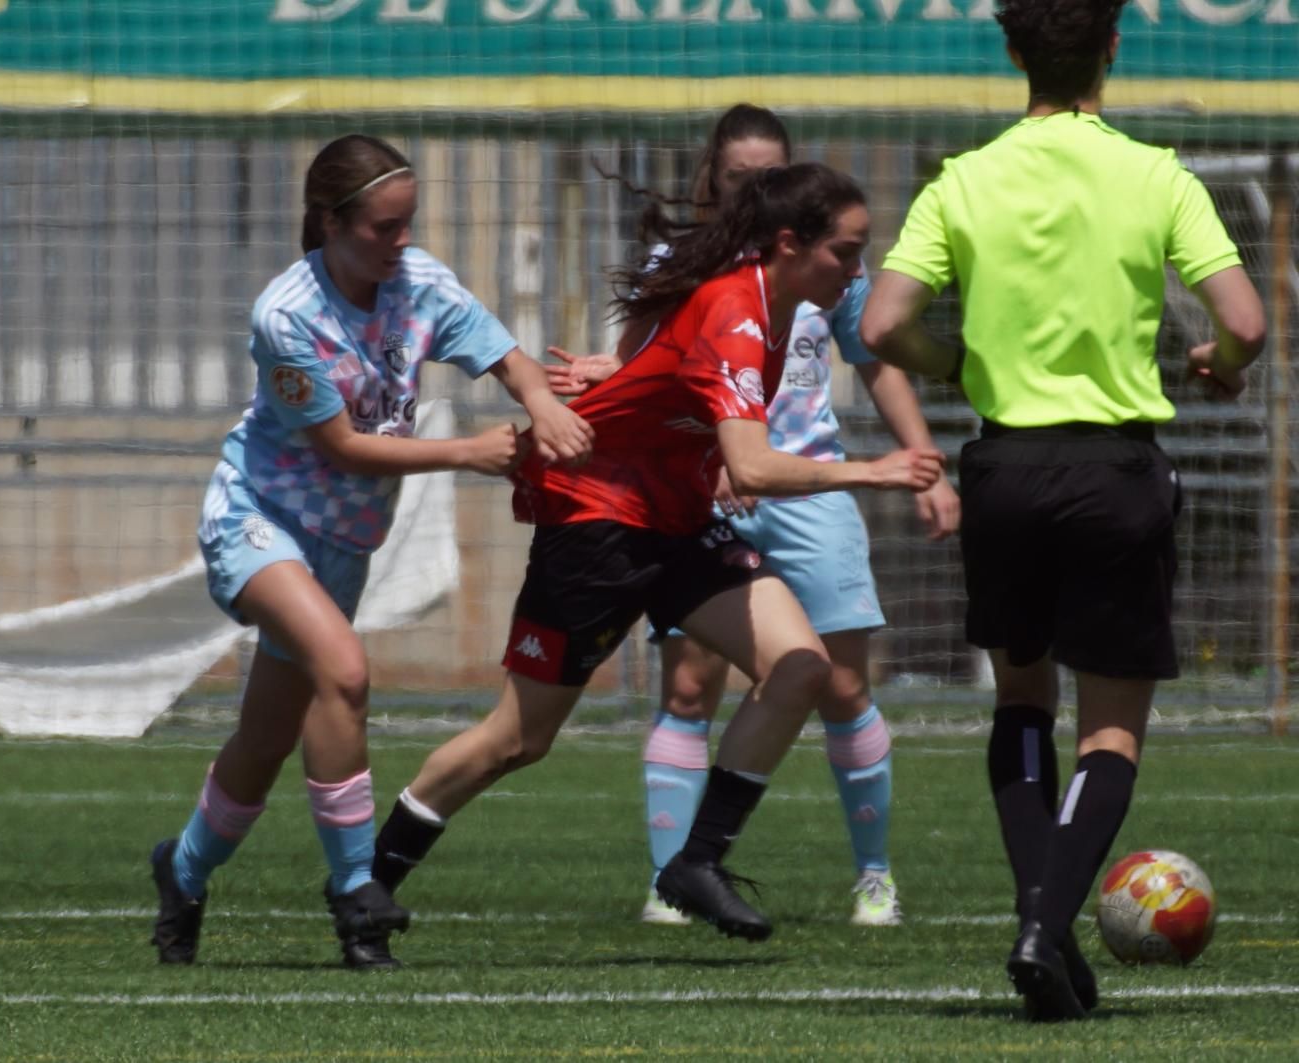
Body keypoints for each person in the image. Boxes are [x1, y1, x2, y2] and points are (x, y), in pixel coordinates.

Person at [368, 162, 945, 951]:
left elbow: (678, 385)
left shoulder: (771, 306)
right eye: (846, 253)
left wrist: (640, 387)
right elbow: (754, 466)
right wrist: (872, 469)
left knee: (802, 665)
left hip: (672, 517)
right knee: (518, 739)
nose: (856, 270)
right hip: (596, 519)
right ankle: (368, 884)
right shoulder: (739, 312)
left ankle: (695, 863)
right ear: (789, 243)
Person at [859, 0, 1265, 1021]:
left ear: (1010, 53)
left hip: (1004, 471)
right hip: (1114, 473)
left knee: (1021, 701)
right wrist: (1221, 361)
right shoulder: (1154, 175)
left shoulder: (963, 179)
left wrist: (955, 362)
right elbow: (1245, 321)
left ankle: (1039, 919)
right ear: (1111, 50)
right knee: (1112, 732)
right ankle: (1046, 925)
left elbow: (880, 323)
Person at [149, 133, 594, 971]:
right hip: (259, 522)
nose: (400, 243)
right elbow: (343, 448)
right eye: (383, 229)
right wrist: (467, 453)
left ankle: (182, 871)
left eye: (407, 224)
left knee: (264, 742)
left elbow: (507, 358)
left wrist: (546, 403)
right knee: (345, 671)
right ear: (328, 222)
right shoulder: (287, 315)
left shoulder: (418, 282)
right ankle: (357, 892)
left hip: (344, 545)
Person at [547, 104, 959, 930]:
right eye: (742, 176)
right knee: (692, 683)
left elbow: (874, 361)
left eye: (771, 174)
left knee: (841, 682)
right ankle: (675, 876)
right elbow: (643, 366)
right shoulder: (688, 259)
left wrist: (924, 466)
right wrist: (607, 375)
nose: (756, 189)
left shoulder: (826, 261)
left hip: (810, 487)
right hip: (710, 488)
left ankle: (874, 877)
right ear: (713, 179)